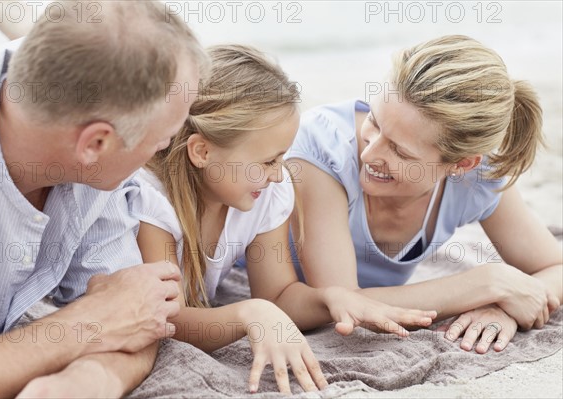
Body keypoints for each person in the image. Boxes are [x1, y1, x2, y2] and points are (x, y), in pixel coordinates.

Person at [131, 44, 437, 395]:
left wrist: (331, 298)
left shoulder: (265, 194)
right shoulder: (151, 199)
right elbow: (169, 320)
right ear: (202, 151)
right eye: (267, 162)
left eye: (281, 159)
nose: (279, 175)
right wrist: (249, 315)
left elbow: (277, 294)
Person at [0, 1, 208, 397]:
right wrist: (85, 322)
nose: (166, 149)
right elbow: (109, 316)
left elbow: (136, 316)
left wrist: (86, 382)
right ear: (96, 143)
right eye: (162, 141)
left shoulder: (89, 163)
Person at [285, 35, 563, 355]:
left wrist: (505, 306)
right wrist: (487, 283)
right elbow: (342, 300)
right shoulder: (322, 150)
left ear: (461, 164)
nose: (369, 154)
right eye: (375, 121)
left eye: (400, 152)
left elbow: (555, 267)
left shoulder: (478, 177)